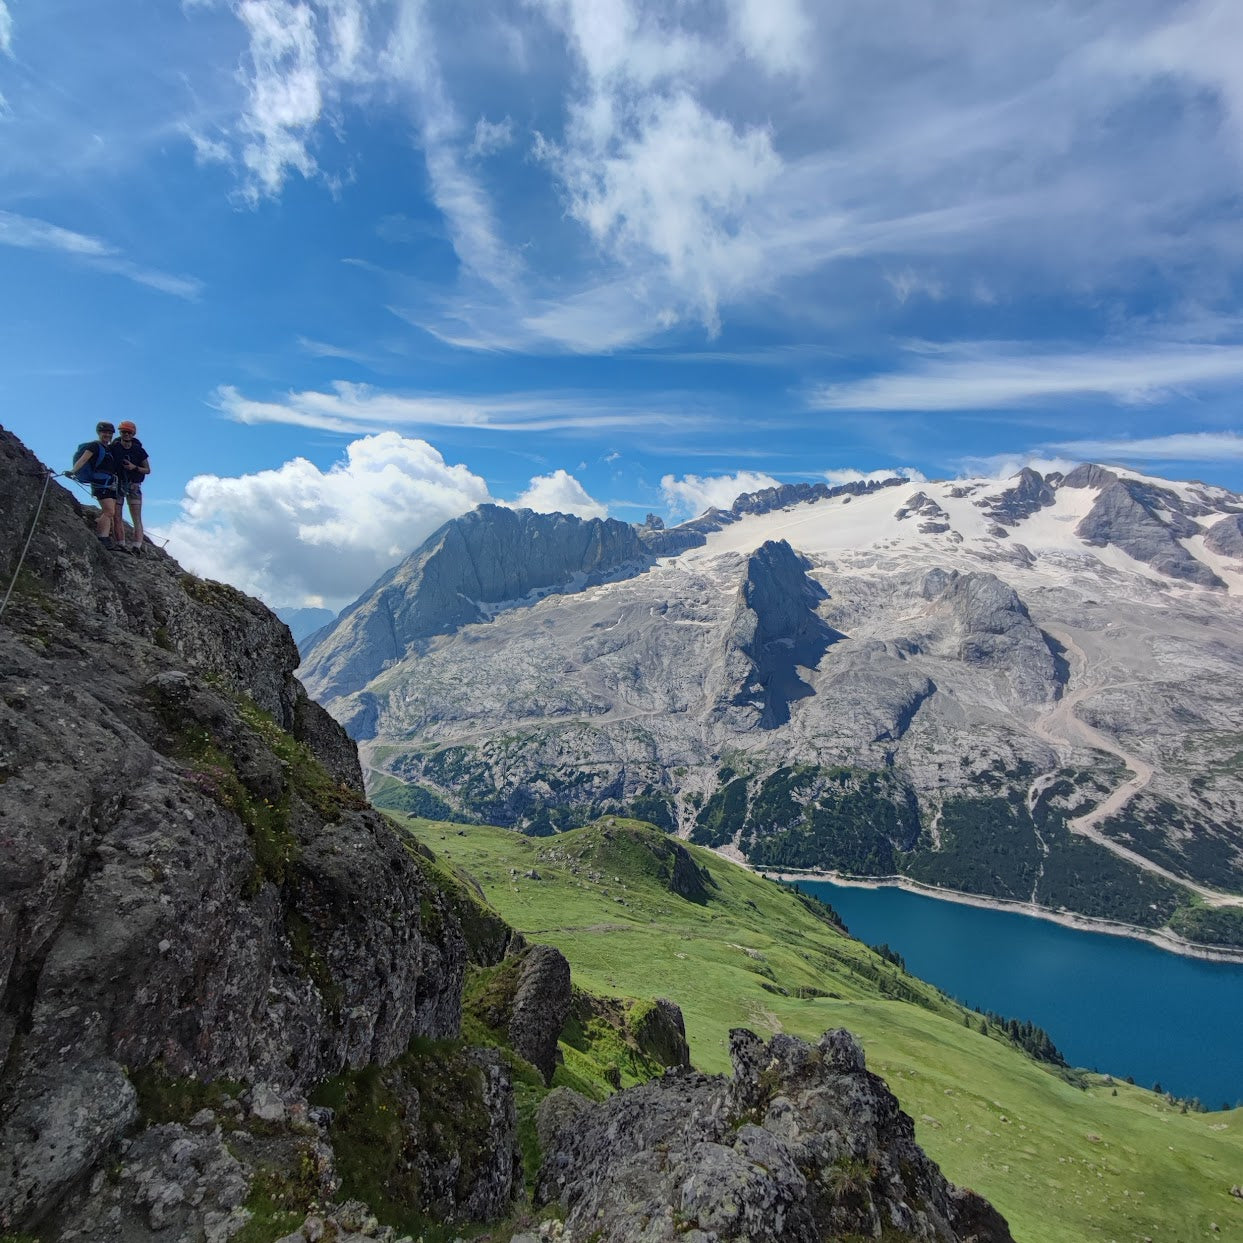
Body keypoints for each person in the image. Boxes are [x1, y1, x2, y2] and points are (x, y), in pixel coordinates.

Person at [69, 422, 124, 552]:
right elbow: (83, 459)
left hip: (110, 483)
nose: (107, 435)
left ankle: (102, 531)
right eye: (105, 432)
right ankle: (102, 537)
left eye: (110, 433)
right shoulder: (94, 446)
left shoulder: (108, 449)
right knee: (109, 511)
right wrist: (73, 471)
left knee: (110, 512)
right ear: (99, 433)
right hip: (100, 483)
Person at [115, 420, 151, 552]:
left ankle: (136, 546)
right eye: (123, 432)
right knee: (117, 515)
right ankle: (121, 544)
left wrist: (134, 467)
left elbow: (147, 470)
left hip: (133, 485)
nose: (126, 434)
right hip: (118, 484)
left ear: (133, 434)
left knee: (136, 517)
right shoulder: (114, 447)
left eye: (129, 432)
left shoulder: (138, 450)